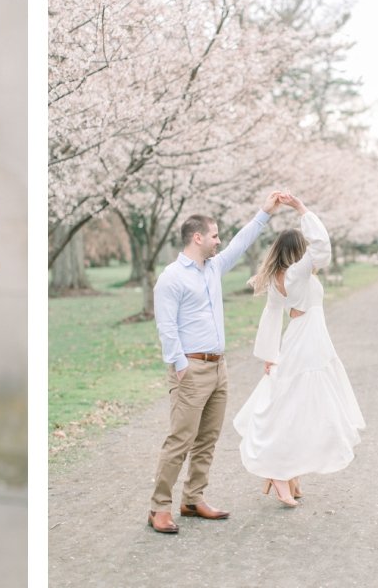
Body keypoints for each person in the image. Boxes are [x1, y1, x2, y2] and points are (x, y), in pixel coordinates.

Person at [147, 191, 283, 534]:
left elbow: (240, 243)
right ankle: (159, 507)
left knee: (207, 438)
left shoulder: (213, 268)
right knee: (180, 439)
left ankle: (193, 499)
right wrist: (180, 367)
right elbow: (166, 326)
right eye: (214, 235)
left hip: (219, 368)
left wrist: (264, 214)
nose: (219, 241)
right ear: (197, 237)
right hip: (191, 368)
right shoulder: (171, 278)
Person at [233, 194, 365, 507]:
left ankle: (289, 472)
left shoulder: (278, 277)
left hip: (301, 340)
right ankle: (280, 472)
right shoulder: (297, 273)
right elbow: (323, 247)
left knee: (295, 405)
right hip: (307, 342)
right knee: (301, 407)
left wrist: (270, 355)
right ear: (297, 252)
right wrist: (303, 210)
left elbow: (272, 315)